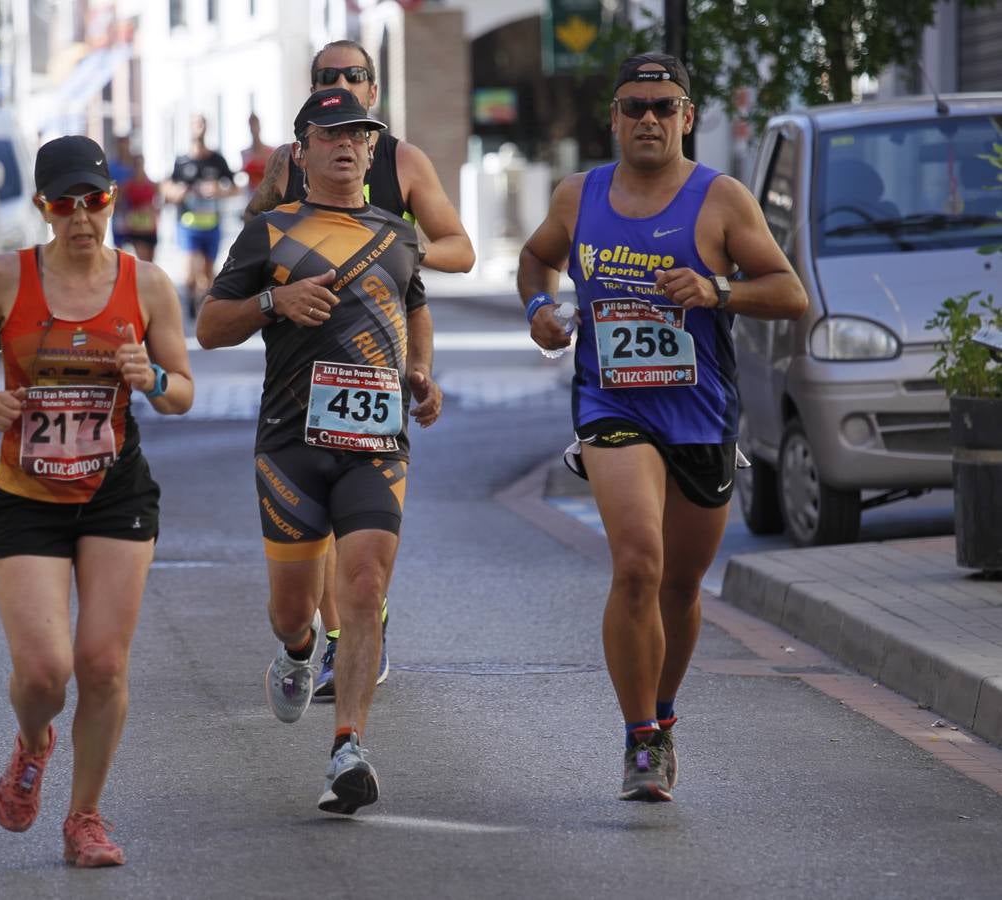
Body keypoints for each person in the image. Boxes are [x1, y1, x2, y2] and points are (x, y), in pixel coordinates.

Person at [517, 53, 807, 802]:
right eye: (634, 106)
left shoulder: (722, 200)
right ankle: (639, 735)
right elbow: (535, 260)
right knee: (638, 563)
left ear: (685, 117)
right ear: (612, 117)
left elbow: (788, 293)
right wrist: (538, 313)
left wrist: (716, 289)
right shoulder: (578, 196)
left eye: (663, 106)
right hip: (613, 406)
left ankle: (665, 714)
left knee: (678, 585)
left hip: (700, 413)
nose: (648, 119)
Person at [0, 134, 194, 864]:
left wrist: (150, 379)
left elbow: (183, 393)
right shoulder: (1, 278)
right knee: (46, 672)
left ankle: (84, 817)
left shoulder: (146, 286)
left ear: (111, 200)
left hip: (116, 493)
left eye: (95, 201)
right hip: (24, 495)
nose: (82, 218)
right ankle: (31, 741)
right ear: (44, 208)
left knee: (103, 666)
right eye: (64, 204)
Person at [196, 88, 442, 814]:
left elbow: (415, 306)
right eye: (329, 133)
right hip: (290, 445)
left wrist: (421, 373)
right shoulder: (270, 231)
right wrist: (274, 303)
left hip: (375, 441)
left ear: (372, 149)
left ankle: (347, 747)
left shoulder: (397, 234)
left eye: (359, 133)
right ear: (301, 151)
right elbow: (209, 328)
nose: (346, 143)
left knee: (364, 585)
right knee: (292, 610)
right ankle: (298, 650)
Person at [246, 38, 475, 703]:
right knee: (309, 522)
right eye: (327, 77)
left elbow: (460, 249)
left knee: (365, 520)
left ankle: (353, 632)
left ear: (374, 91)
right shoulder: (289, 165)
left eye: (354, 75)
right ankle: (323, 634)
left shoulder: (401, 160)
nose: (342, 81)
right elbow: (253, 230)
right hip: (300, 366)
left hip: (377, 361)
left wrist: (389, 248)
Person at [163, 114, 240, 318]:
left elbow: (235, 188)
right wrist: (177, 193)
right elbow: (166, 188)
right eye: (195, 124)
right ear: (189, 128)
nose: (199, 129)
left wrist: (218, 190)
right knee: (189, 274)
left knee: (207, 275)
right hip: (188, 225)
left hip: (211, 224)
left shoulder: (217, 159)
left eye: (202, 124)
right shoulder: (182, 161)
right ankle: (190, 302)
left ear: (207, 128)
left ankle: (205, 307)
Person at [114, 149, 160, 262]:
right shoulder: (127, 185)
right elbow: (118, 203)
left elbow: (158, 203)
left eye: (140, 164)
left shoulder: (152, 184)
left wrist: (153, 211)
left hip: (150, 228)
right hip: (136, 228)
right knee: (143, 261)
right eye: (136, 164)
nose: (139, 167)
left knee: (151, 262)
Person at [240, 111, 275, 199]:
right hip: (251, 197)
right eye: (251, 125)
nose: (254, 128)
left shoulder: (271, 151)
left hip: (269, 196)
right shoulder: (244, 153)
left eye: (255, 124)